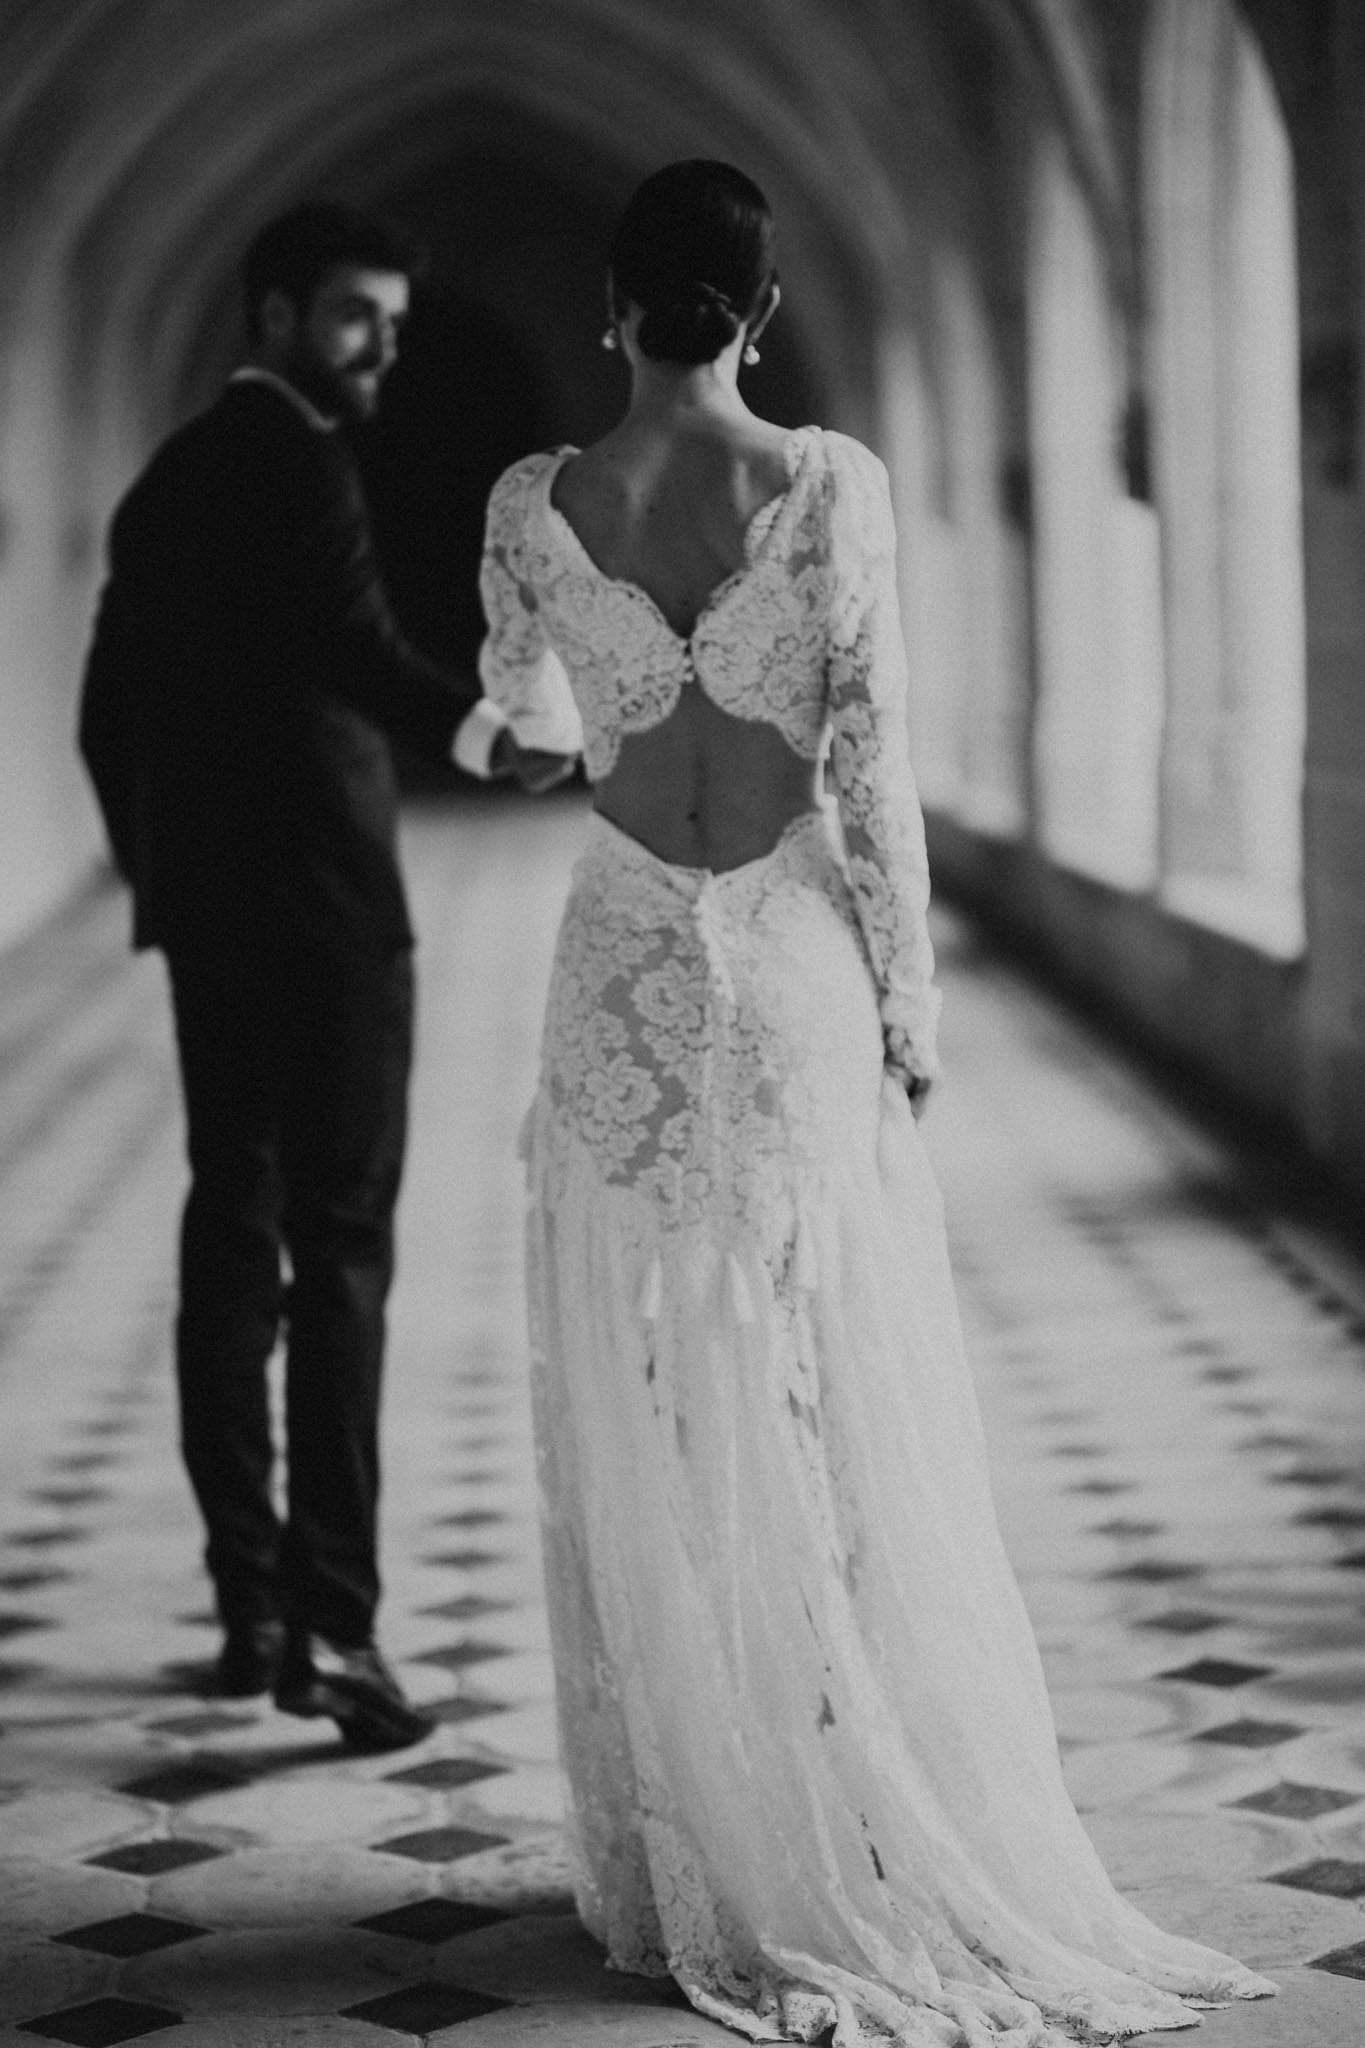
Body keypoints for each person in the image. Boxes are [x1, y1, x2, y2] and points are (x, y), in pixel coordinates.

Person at [476, 161, 1275, 2043]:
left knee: (646, 1370)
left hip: (618, 957)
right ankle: (836, 1790)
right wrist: (908, 1002)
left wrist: (525, 723)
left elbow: (518, 708)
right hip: (789, 953)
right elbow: (875, 764)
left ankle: (696, 1816)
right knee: (818, 1358)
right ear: (759, 314)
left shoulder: (530, 500)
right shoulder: (828, 484)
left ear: (610, 305)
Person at [78, 200, 575, 1753]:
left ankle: (247, 1604)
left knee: (234, 1231)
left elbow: (106, 712)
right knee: (342, 1253)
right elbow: (355, 647)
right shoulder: (301, 463)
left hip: (215, 921)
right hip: (334, 925)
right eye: (358, 316)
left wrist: (164, 876)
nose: (382, 348)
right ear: (276, 311)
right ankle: (337, 1628)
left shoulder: (164, 480)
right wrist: (492, 738)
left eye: (395, 323)